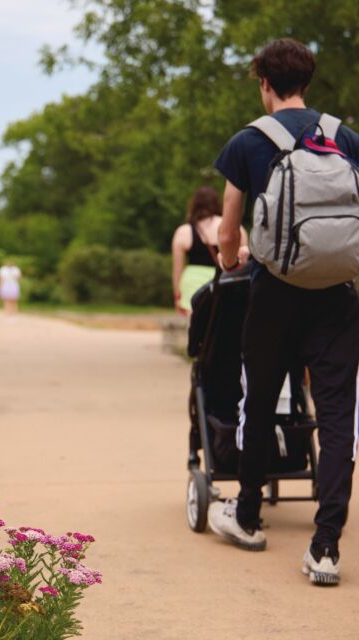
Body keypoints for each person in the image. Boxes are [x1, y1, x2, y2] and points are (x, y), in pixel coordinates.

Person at [208, 38, 359, 586]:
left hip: (274, 289)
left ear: (263, 82)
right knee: (338, 414)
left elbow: (229, 230)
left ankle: (247, 515)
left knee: (263, 397)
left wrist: (232, 260)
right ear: (309, 83)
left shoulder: (249, 142)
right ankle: (325, 548)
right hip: (339, 293)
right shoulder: (343, 137)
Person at [171, 186, 248, 315]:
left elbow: (177, 270)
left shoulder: (183, 231)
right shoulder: (235, 229)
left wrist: (177, 295)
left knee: (196, 328)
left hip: (192, 283)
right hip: (225, 280)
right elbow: (245, 261)